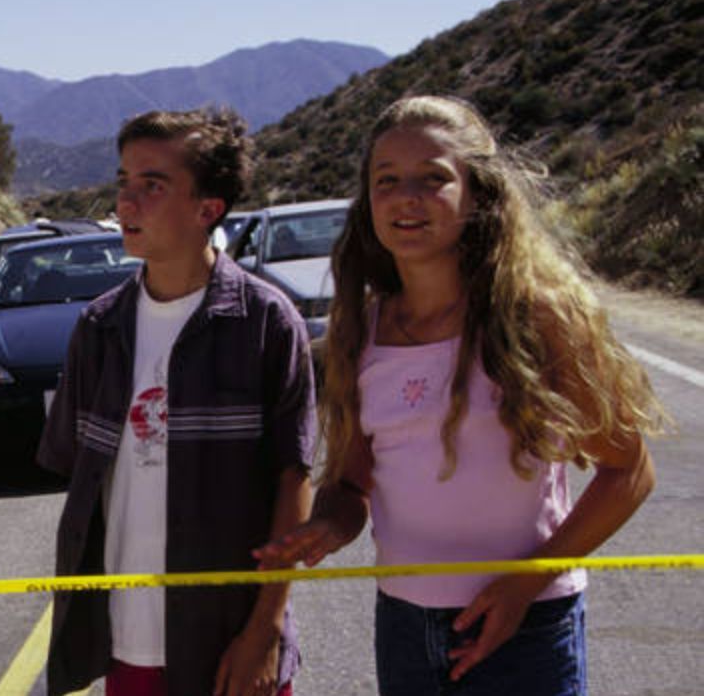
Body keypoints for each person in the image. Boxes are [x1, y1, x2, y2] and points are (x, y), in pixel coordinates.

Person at [255, 95, 668, 695]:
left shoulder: (539, 317)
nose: (406, 198)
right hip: (403, 623)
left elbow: (630, 470)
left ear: (478, 194)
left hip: (527, 624)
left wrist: (526, 583)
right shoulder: (358, 330)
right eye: (387, 181)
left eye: (433, 178)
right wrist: (325, 527)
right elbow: (351, 484)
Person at [38, 109, 315, 696]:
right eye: (122, 183)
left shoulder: (266, 323)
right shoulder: (99, 327)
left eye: (151, 186)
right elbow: (79, 477)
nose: (126, 203)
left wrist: (264, 630)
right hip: (126, 640)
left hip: (230, 643)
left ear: (207, 210)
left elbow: (294, 484)